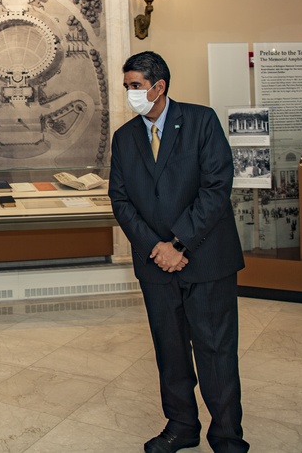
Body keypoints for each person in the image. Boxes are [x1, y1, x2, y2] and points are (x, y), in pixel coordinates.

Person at [108, 52, 248, 453]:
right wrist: (156, 248)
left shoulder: (202, 122)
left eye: (135, 86)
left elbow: (217, 187)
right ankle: (181, 426)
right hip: (156, 266)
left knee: (215, 352)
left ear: (159, 86)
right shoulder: (125, 137)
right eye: (127, 87)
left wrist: (179, 244)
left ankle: (227, 437)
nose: (131, 94)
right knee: (170, 351)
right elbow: (120, 200)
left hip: (206, 260)